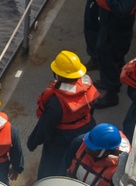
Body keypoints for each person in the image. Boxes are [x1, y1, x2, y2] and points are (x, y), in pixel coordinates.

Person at [27, 51, 97, 179]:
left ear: (57, 74)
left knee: (51, 170)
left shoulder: (56, 102)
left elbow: (45, 126)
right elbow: (91, 109)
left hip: (61, 140)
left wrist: (32, 142)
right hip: (86, 132)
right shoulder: (87, 90)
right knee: (75, 163)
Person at [64, 122, 131, 186]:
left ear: (107, 151)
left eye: (92, 148)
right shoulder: (79, 143)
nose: (86, 147)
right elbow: (65, 165)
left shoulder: (120, 170)